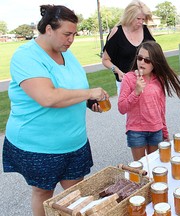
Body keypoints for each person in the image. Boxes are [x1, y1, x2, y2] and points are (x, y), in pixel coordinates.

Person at [2, 5, 109, 216]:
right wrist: (88, 93)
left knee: (76, 194)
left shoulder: (67, 54)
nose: (71, 40)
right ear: (48, 29)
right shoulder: (26, 56)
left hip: (74, 142)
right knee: (43, 193)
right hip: (39, 146)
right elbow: (48, 97)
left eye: (74, 35)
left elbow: (73, 89)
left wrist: (88, 102)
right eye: (66, 34)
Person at [118, 41, 180, 160]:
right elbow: (122, 108)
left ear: (155, 63)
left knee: (155, 165)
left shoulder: (159, 79)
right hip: (136, 131)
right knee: (140, 169)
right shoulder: (128, 78)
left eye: (147, 60)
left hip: (156, 130)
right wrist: (136, 92)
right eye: (140, 58)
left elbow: (161, 108)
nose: (142, 62)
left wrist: (165, 132)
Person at [102, 0, 155, 95]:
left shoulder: (146, 30)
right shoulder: (117, 32)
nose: (141, 22)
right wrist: (118, 71)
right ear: (129, 16)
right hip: (125, 83)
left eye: (143, 19)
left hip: (146, 82)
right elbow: (105, 60)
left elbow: (155, 55)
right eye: (138, 19)